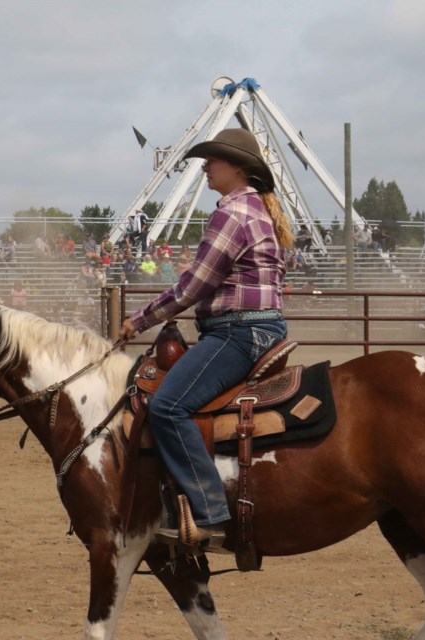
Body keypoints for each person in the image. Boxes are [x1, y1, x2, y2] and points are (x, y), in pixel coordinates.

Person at [119, 127, 292, 549]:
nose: (204, 169)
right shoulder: (257, 210)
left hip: (239, 330)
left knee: (168, 406)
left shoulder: (232, 213)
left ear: (237, 167)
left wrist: (137, 322)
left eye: (211, 161)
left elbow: (193, 286)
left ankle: (210, 511)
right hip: (255, 326)